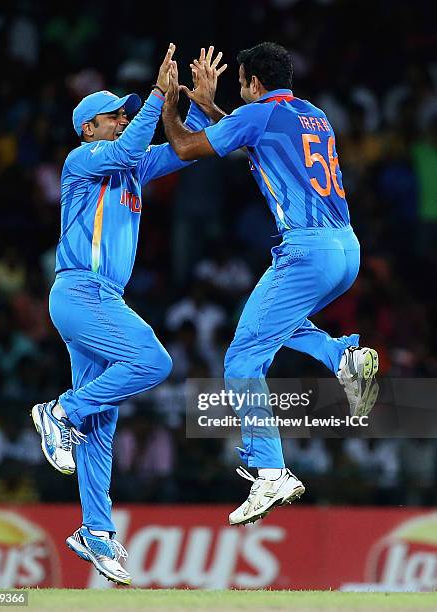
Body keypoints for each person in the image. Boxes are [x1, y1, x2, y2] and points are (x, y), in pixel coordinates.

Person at [31, 43, 226, 584]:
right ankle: (60, 412)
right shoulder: (82, 160)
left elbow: (183, 148)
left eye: (125, 111)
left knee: (103, 423)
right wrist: (158, 94)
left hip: (100, 301)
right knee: (153, 362)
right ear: (89, 127)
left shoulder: (131, 165)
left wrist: (191, 101)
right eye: (114, 114)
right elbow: (133, 144)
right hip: (79, 293)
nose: (123, 118)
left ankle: (95, 532)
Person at [162, 43, 379, 526]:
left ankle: (270, 469)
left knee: (241, 358)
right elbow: (247, 136)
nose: (239, 91)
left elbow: (185, 148)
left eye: (240, 83)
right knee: (273, 323)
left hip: (306, 251)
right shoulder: (311, 113)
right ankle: (340, 357)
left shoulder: (256, 114)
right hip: (346, 248)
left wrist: (171, 106)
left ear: (254, 84)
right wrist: (209, 106)